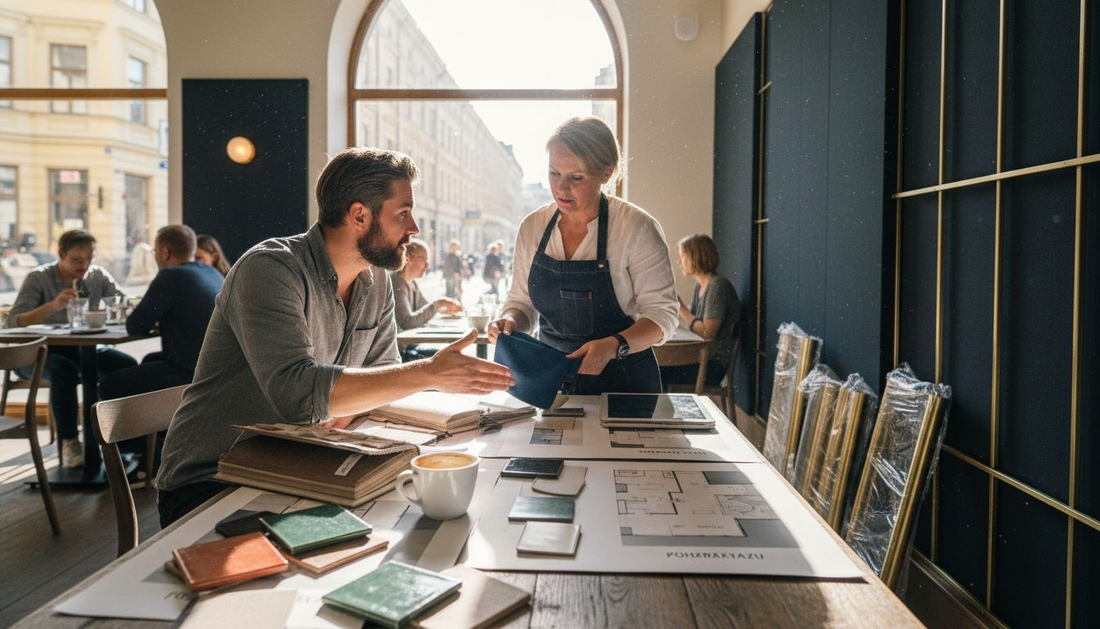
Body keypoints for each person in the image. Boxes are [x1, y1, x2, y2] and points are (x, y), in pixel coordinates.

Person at [155, 148, 514, 527]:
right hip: (214, 481)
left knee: (408, 526)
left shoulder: (376, 282)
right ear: (359, 215)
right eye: (403, 213)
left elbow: (384, 375)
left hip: (301, 465)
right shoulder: (270, 269)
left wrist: (340, 402)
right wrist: (429, 373)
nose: (414, 229)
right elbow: (297, 394)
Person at [488, 117, 679, 395]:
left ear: (606, 173)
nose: (561, 188)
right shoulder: (532, 227)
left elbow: (663, 316)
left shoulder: (635, 227)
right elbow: (522, 303)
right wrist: (511, 322)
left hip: (624, 382)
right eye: (554, 174)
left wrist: (614, 346)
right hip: (549, 380)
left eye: (576, 177)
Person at [6, 230, 137, 467]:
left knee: (126, 366)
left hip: (84, 350)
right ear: (60, 255)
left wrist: (112, 311)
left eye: (89, 259)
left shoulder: (97, 275)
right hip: (38, 355)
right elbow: (13, 321)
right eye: (77, 260)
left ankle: (119, 439)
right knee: (63, 371)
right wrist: (52, 306)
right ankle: (70, 441)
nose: (84, 265)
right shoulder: (39, 278)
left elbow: (123, 303)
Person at [99, 224, 225, 400]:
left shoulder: (170, 276)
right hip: (218, 370)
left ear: (165, 253)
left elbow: (135, 326)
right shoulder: (211, 273)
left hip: (190, 372)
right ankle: (162, 427)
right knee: (149, 360)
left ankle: (102, 428)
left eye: (155, 251)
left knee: (110, 384)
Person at [661, 234, 741, 387]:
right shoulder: (699, 286)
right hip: (702, 359)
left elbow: (706, 332)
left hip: (712, 366)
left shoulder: (718, 286)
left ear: (696, 256)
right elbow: (695, 325)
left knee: (655, 373)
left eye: (682, 256)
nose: (679, 262)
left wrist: (681, 307)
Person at [391, 238, 461, 360]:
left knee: (454, 357)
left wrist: (444, 310)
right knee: (450, 359)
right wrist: (438, 304)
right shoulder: (397, 283)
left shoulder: (412, 284)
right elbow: (408, 322)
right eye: (424, 259)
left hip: (410, 347)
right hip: (398, 354)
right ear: (408, 258)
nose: (427, 265)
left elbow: (424, 311)